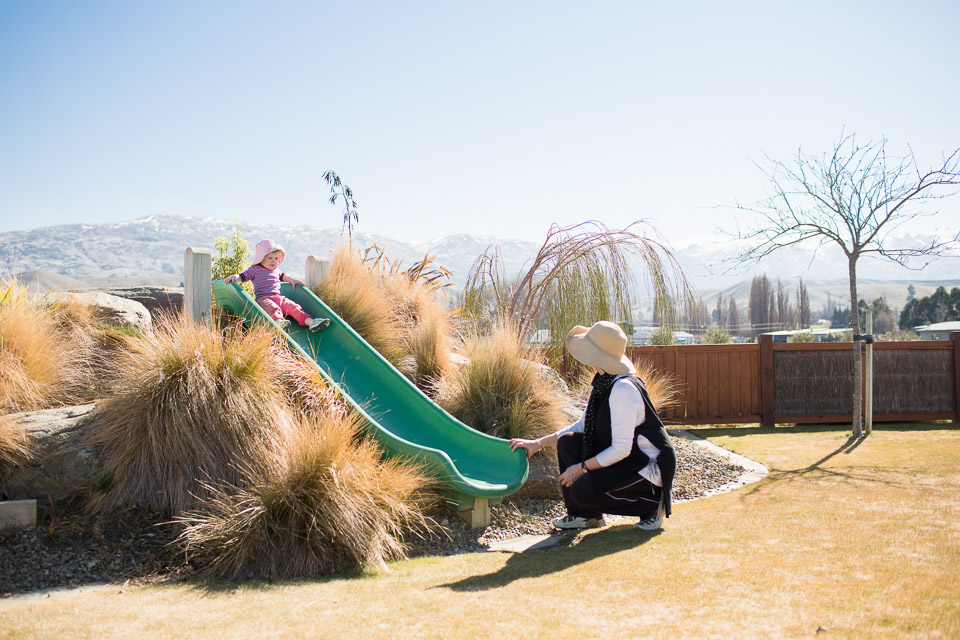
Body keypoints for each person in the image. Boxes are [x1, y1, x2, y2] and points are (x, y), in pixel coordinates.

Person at [510, 321, 676, 531]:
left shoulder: (623, 390)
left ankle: (651, 504)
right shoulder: (604, 383)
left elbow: (621, 449)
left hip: (645, 466)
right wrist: (538, 443)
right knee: (567, 442)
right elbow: (581, 426)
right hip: (627, 459)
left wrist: (581, 468)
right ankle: (584, 516)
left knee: (582, 491)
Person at [225, 239, 331, 333]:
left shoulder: (276, 270)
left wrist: (292, 280)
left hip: (278, 297)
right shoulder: (255, 269)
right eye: (270, 258)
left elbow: (283, 276)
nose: (274, 261)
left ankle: (311, 322)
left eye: (276, 258)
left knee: (293, 307)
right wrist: (234, 277)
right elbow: (243, 276)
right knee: (273, 308)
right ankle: (279, 322)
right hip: (263, 299)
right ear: (261, 258)